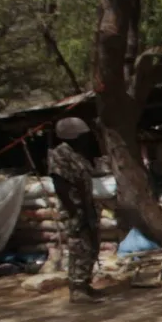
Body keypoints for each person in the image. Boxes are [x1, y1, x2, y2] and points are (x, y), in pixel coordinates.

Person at [47, 117, 103, 304]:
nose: (86, 139)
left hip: (85, 206)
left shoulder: (77, 154)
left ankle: (85, 283)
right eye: (82, 135)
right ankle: (77, 289)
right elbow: (60, 185)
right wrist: (75, 211)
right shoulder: (60, 154)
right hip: (74, 208)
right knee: (79, 247)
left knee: (91, 245)